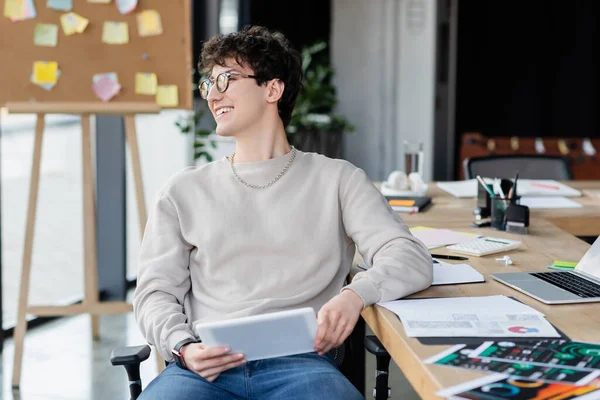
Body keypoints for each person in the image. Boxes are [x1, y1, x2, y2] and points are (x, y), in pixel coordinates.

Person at [133, 25, 432, 400]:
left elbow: (410, 256)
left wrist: (356, 295)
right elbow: (154, 292)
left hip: (303, 365)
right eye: (209, 83)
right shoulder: (183, 191)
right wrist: (183, 346)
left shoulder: (337, 179)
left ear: (272, 89)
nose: (213, 94)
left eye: (226, 78)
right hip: (203, 368)